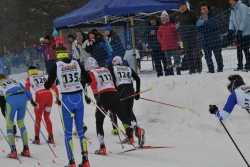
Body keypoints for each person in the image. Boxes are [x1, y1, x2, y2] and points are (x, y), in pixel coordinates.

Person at [85, 57, 145, 154]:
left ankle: (102, 147)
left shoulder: (92, 72)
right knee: (124, 117)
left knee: (99, 122)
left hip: (104, 97)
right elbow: (112, 80)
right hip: (114, 94)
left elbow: (93, 85)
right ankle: (137, 128)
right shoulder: (106, 69)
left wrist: (96, 97)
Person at [44, 46, 91, 167]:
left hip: (67, 100)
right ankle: (85, 161)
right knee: (81, 132)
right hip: (78, 98)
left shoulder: (57, 65)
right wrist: (77, 82)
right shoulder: (76, 63)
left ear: (58, 56)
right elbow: (88, 78)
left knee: (68, 133)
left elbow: (48, 84)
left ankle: (72, 162)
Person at [0, 73, 38, 158]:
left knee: (9, 125)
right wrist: (32, 102)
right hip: (23, 97)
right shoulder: (14, 80)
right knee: (21, 123)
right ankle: (26, 150)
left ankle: (13, 151)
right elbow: (27, 92)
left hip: (11, 99)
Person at [108, 56, 140, 143]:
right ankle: (136, 132)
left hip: (122, 91)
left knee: (123, 115)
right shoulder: (128, 68)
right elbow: (137, 78)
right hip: (131, 90)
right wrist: (138, 91)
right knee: (129, 112)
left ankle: (131, 135)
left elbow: (111, 81)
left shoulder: (112, 68)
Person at [25, 66, 60, 144]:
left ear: (29, 72)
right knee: (47, 117)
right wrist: (57, 98)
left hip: (40, 96)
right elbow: (54, 87)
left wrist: (31, 100)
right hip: (49, 95)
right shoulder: (43, 76)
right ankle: (51, 138)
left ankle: (37, 138)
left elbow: (27, 90)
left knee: (38, 118)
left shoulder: (29, 78)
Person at [176, 2, 203, 74]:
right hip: (184, 38)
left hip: (193, 36)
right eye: (180, 7)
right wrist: (178, 28)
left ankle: (199, 68)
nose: (182, 8)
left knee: (196, 53)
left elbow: (197, 22)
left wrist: (196, 31)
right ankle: (191, 69)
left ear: (186, 6)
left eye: (183, 6)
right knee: (188, 54)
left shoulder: (191, 13)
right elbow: (179, 26)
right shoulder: (179, 16)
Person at [196, 2, 224, 73]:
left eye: (205, 8)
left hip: (215, 39)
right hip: (206, 41)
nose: (204, 10)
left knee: (217, 55)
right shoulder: (200, 18)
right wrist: (198, 26)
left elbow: (214, 25)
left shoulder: (213, 15)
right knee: (207, 56)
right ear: (201, 11)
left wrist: (204, 24)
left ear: (208, 8)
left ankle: (220, 69)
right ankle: (211, 69)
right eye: (202, 9)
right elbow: (199, 30)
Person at [227, 0, 250, 71]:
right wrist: (231, 29)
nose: (229, 2)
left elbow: (245, 19)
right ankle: (240, 65)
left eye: (230, 0)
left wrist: (240, 30)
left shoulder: (243, 7)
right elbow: (231, 20)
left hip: (246, 32)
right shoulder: (233, 9)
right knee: (239, 49)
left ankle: (248, 65)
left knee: (245, 49)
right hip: (238, 32)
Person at [157, 11, 181, 75]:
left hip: (173, 45)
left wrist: (176, 41)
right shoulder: (160, 28)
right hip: (165, 46)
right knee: (168, 60)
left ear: (167, 18)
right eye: (162, 18)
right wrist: (162, 42)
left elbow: (177, 34)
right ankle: (171, 73)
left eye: (164, 18)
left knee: (177, 59)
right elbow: (159, 37)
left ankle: (178, 71)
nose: (163, 19)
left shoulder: (172, 26)